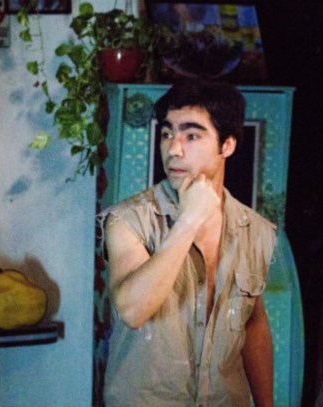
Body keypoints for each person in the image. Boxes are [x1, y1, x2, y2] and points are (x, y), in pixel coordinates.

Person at [100, 80, 276, 407]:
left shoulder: (257, 231)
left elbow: (254, 323)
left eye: (191, 136)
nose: (174, 149)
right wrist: (189, 220)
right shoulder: (127, 220)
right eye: (167, 134)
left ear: (227, 145)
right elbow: (133, 311)